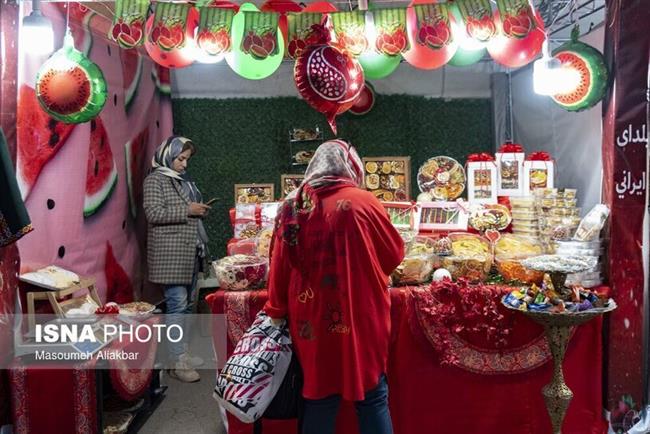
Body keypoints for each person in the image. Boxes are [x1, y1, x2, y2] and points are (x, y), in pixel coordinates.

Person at [263, 140, 405, 434]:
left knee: (318, 396)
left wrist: (276, 309)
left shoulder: (291, 205)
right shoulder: (363, 202)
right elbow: (394, 255)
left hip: (310, 317)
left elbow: (278, 267)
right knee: (372, 396)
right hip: (360, 313)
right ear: (351, 166)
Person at [143, 135, 211, 383]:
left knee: (186, 307)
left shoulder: (180, 181)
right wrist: (188, 210)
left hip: (190, 252)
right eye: (180, 159)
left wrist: (198, 210)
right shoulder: (155, 180)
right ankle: (177, 360)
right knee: (176, 306)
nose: (184, 164)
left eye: (186, 159)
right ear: (167, 156)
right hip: (169, 256)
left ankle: (181, 352)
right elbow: (153, 213)